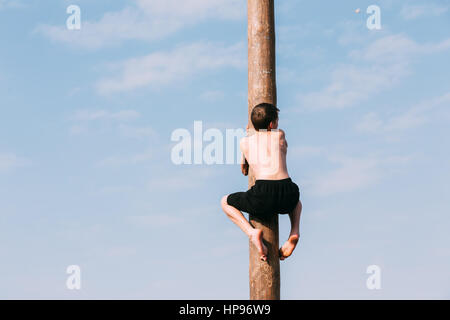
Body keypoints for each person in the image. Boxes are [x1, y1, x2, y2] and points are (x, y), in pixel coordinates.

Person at [221, 103, 303, 262]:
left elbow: (245, 166)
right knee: (297, 202)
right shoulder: (280, 135)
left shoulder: (244, 143)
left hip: (262, 194)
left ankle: (252, 233)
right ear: (272, 124)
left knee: (225, 202)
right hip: (287, 191)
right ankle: (294, 231)